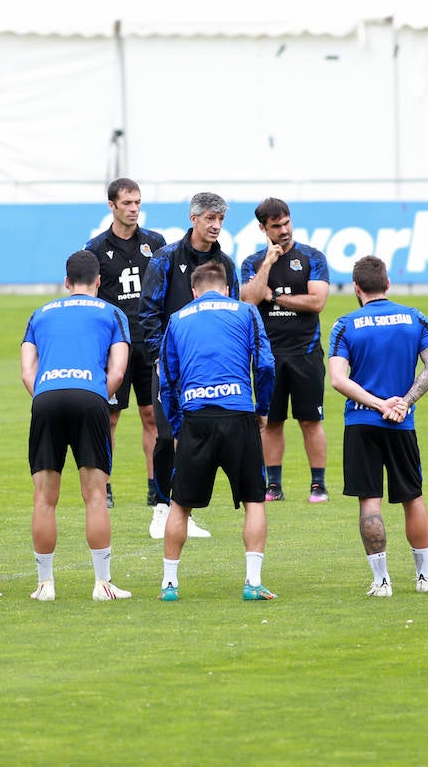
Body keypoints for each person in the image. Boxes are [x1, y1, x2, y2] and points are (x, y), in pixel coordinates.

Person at [157, 261, 274, 601]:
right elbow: (265, 365)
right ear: (226, 289)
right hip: (239, 415)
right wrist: (262, 409)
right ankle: (252, 582)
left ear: (194, 291)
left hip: (196, 420)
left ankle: (169, 584)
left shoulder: (178, 319)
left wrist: (178, 426)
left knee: (180, 504)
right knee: (254, 500)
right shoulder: (246, 312)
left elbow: (168, 382)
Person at [329, 255, 428, 596]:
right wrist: (403, 403)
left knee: (370, 502)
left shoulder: (345, 324)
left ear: (356, 288)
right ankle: (425, 577)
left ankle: (381, 582)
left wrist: (377, 403)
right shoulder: (415, 317)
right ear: (388, 284)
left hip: (362, 421)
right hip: (402, 423)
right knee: (413, 497)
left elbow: (337, 379)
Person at [21, 250, 131, 601]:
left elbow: (27, 370)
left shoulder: (40, 313)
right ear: (98, 281)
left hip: (47, 397)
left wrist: (43, 394)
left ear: (66, 282)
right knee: (95, 495)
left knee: (44, 498)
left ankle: (45, 585)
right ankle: (102, 583)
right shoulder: (113, 313)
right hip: (90, 397)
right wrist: (99, 395)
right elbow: (117, 370)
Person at [140, 191, 236, 539]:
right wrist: (159, 359)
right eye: (210, 218)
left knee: (196, 438)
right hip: (171, 365)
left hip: (211, 368)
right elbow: (148, 312)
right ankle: (161, 507)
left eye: (221, 219)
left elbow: (234, 312)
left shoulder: (226, 264)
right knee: (167, 436)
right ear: (193, 219)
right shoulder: (166, 259)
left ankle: (184, 510)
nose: (216, 225)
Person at [240, 197, 331, 503]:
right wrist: (267, 262)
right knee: (270, 420)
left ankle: (318, 484)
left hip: (305, 352)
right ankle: (273, 486)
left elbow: (317, 302)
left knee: (310, 420)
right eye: (276, 226)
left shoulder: (312, 257)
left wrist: (276, 298)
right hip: (268, 355)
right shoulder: (251, 263)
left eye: (287, 223)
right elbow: (249, 299)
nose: (284, 230)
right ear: (263, 228)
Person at [83, 178, 166, 509]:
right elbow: (86, 297)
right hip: (114, 346)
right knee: (110, 417)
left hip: (150, 343)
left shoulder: (155, 243)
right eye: (127, 203)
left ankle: (156, 487)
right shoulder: (95, 249)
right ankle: (104, 487)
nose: (134, 209)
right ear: (112, 205)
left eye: (138, 203)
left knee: (152, 415)